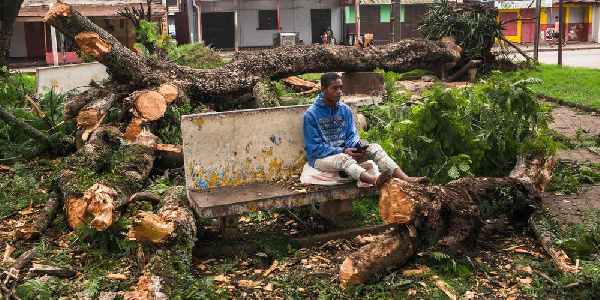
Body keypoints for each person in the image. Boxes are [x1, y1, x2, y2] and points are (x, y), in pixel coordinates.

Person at [302, 72, 429, 187]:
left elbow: (352, 135)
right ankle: (375, 180)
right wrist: (343, 151)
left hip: (346, 153)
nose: (339, 91)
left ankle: (406, 179)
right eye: (334, 88)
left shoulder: (344, 109)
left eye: (341, 87)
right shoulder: (311, 114)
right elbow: (315, 148)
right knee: (343, 159)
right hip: (321, 159)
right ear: (323, 89)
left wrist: (357, 149)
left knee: (374, 148)